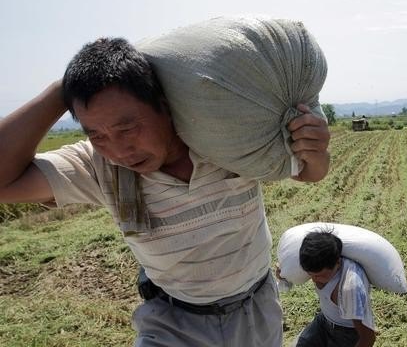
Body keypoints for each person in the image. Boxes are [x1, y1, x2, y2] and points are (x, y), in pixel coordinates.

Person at [0, 37, 330, 347]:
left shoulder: (224, 137)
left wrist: (316, 152)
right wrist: (66, 87)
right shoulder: (97, 166)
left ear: (165, 105)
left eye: (127, 128)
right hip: (174, 323)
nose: (119, 150)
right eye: (97, 135)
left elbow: (309, 174)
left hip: (255, 310)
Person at [293, 231, 376, 347]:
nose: (314, 280)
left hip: (347, 333)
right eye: (310, 274)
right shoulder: (313, 262)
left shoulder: (350, 288)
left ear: (337, 262)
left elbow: (368, 337)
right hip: (324, 321)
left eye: (319, 275)